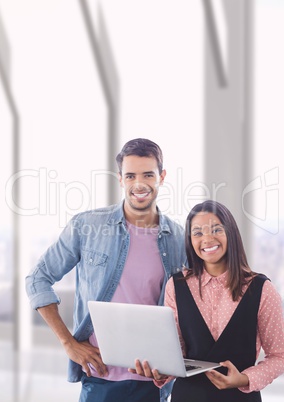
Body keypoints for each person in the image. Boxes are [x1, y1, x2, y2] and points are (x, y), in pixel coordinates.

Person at [25, 138, 187, 402]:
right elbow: (37, 279)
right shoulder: (87, 226)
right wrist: (69, 343)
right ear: (120, 179)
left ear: (162, 177)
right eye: (131, 175)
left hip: (154, 383)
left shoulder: (178, 238)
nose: (139, 184)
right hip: (100, 378)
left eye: (148, 174)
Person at [130, 200, 284, 402]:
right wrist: (161, 371)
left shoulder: (262, 288)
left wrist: (245, 378)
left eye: (216, 229)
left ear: (231, 232)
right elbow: (174, 353)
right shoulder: (176, 286)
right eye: (198, 233)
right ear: (190, 240)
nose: (207, 239)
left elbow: (280, 355)